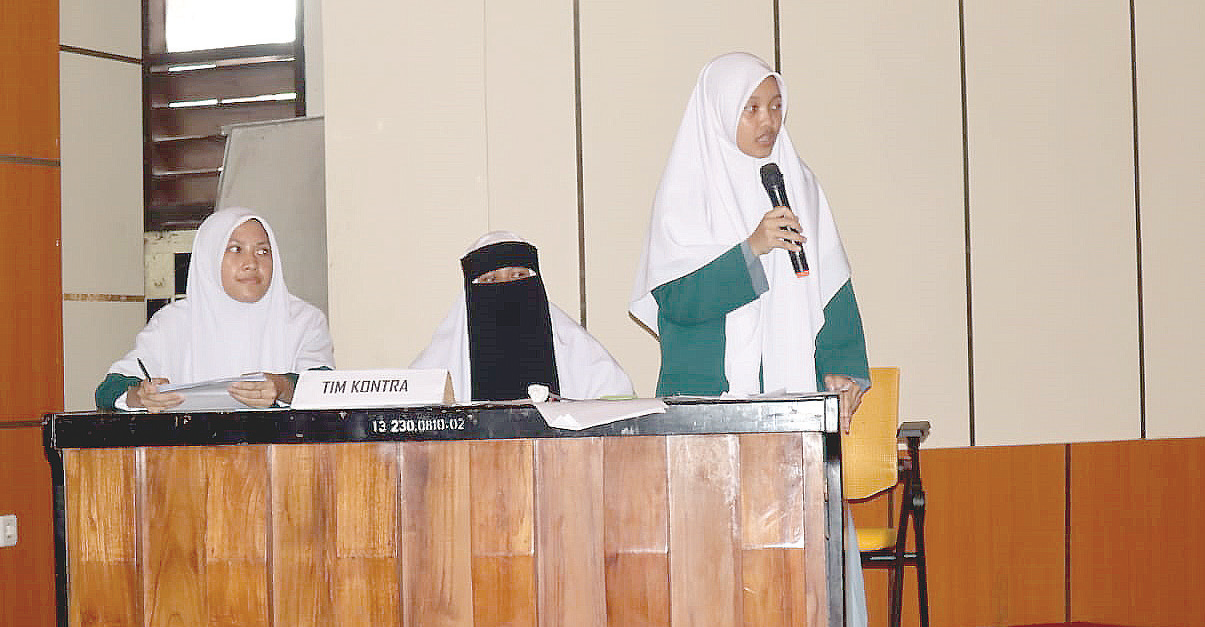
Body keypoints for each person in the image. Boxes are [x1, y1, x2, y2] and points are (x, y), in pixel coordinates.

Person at [629, 52, 870, 625]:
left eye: (776, 106)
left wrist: (843, 369)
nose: (768, 121)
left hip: (792, 429)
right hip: (711, 428)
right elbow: (677, 303)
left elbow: (830, 289)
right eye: (752, 109)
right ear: (719, 114)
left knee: (807, 584)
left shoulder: (799, 186)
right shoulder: (689, 193)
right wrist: (752, 251)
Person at [95, 207, 335, 412]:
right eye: (235, 249)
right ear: (209, 256)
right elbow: (108, 390)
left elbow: (326, 387)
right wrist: (141, 395)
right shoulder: (173, 322)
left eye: (263, 251)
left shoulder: (305, 320)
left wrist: (282, 388)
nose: (252, 263)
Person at [412, 231, 633, 402]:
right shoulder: (440, 360)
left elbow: (616, 404)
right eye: (490, 280)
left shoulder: (576, 349)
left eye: (518, 275)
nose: (506, 286)